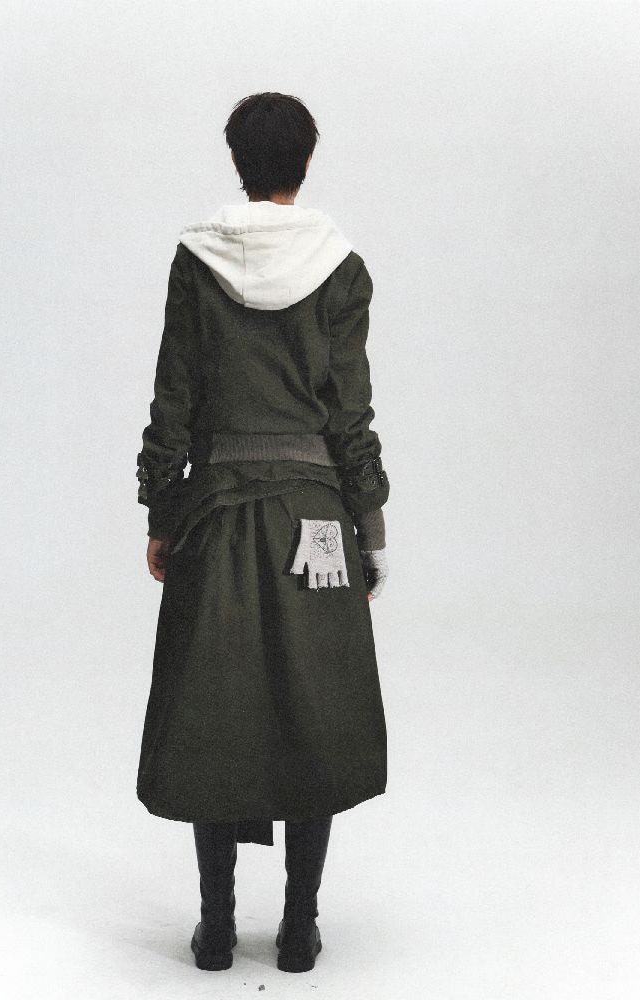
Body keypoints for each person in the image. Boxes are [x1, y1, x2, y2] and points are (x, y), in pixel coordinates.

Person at [135, 91, 390, 974]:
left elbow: (174, 396)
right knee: (314, 715)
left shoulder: (196, 260)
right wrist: (370, 527)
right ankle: (299, 929)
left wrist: (164, 512)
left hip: (216, 515)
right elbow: (350, 412)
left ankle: (215, 929)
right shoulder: (341, 268)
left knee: (212, 714)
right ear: (305, 163)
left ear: (238, 161)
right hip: (315, 517)